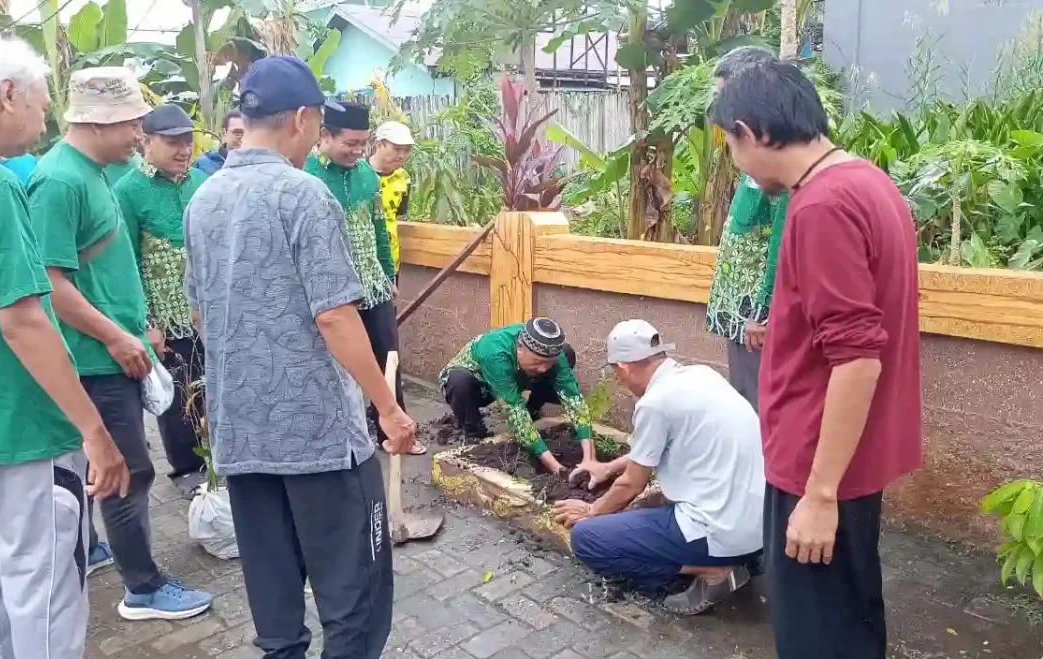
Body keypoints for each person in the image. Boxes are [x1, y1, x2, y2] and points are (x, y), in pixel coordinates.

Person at [183, 55, 417, 659]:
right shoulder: (302, 193)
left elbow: (202, 312)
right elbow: (335, 316)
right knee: (355, 581)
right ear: (305, 118)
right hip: (315, 435)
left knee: (271, 573)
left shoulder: (203, 200)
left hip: (240, 427)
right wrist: (389, 410)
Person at [712, 59, 922, 659]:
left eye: (729, 143)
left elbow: (857, 358)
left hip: (818, 462)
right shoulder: (865, 181)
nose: (733, 159)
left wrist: (819, 495)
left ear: (753, 133)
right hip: (847, 453)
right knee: (849, 620)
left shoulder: (820, 205)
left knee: (813, 643)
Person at [0, 36, 129, 659]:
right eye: (39, 103)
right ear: (8, 94)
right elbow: (25, 321)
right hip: (26, 427)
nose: (44, 121)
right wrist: (95, 432)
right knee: (47, 587)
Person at [28, 66, 213, 621]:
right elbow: (49, 282)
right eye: (133, 124)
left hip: (114, 348)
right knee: (127, 471)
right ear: (99, 121)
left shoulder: (97, 173)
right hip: (96, 357)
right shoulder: (59, 181)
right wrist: (116, 336)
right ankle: (144, 587)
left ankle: (96, 548)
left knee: (104, 469)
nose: (139, 135)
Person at [553, 320, 764, 615]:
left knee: (588, 539)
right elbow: (663, 446)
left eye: (615, 374)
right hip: (761, 524)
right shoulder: (701, 375)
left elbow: (631, 486)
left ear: (624, 367)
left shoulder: (655, 403)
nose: (619, 382)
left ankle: (712, 572)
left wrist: (591, 513)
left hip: (719, 530)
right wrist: (609, 467)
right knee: (644, 511)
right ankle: (742, 559)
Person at [306, 101, 426, 455]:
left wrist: (388, 275)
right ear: (325, 136)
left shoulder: (365, 176)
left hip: (372, 285)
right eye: (350, 143)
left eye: (363, 144)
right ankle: (342, 439)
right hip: (331, 291)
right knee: (334, 365)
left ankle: (395, 432)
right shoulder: (307, 175)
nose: (358, 151)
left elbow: (379, 231)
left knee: (387, 357)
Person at [114, 103, 208, 494]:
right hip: (166, 317)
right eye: (172, 142)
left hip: (208, 310)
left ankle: (218, 460)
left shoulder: (202, 182)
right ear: (146, 142)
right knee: (179, 396)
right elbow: (127, 263)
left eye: (187, 141)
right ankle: (186, 469)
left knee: (212, 387)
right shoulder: (128, 191)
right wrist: (147, 323)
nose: (183, 149)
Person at [705, 47, 788, 411]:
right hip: (737, 312)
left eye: (723, 93)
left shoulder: (777, 155)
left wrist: (763, 313)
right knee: (741, 397)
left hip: (754, 316)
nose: (718, 103)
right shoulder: (750, 149)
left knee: (758, 405)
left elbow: (781, 244)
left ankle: (763, 470)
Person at [439, 317, 596, 476]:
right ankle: (474, 432)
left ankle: (533, 408)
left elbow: (573, 399)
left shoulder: (554, 351)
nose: (543, 369)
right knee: (459, 381)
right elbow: (515, 414)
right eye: (537, 361)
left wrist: (589, 459)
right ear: (520, 347)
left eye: (548, 363)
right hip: (479, 386)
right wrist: (557, 468)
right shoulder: (494, 351)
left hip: (516, 377)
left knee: (568, 354)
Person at [368, 120, 414, 281]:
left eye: (406, 150)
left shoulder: (404, 178)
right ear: (379, 145)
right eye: (396, 149)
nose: (401, 155)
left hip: (390, 261)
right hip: (362, 263)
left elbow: (399, 213)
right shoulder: (359, 173)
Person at [194, 107, 244, 175]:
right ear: (223, 133)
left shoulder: (258, 166)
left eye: (249, 133)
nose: (243, 138)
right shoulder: (205, 164)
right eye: (237, 133)